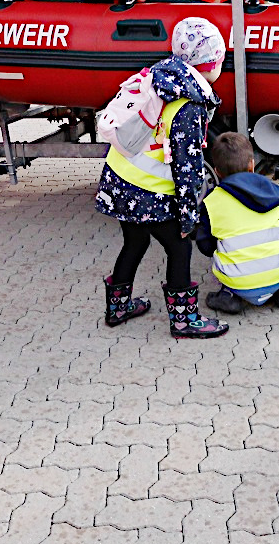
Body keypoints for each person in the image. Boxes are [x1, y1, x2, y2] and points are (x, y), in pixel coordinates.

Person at [95, 17, 228, 339]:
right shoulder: (189, 104)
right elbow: (187, 166)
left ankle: (118, 308)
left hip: (118, 180)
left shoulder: (156, 78)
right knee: (180, 249)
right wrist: (188, 214)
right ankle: (184, 321)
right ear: (212, 62)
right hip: (149, 192)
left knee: (135, 241)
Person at [195, 132, 279, 314]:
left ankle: (230, 295)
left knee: (222, 251)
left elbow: (205, 245)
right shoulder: (272, 192)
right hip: (278, 270)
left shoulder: (212, 201)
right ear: (252, 165)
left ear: (217, 171)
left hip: (238, 278)